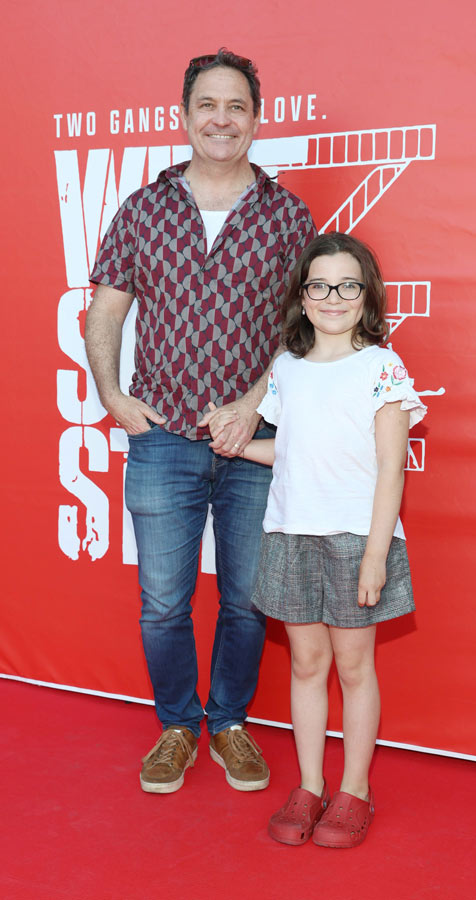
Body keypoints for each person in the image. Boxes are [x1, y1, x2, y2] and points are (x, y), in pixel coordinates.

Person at [85, 48, 316, 795]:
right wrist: (112, 395)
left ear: (257, 119)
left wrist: (253, 403)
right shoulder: (142, 210)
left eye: (236, 106)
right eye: (207, 105)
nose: (222, 119)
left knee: (247, 599)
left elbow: (304, 329)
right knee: (162, 602)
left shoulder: (287, 216)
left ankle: (229, 724)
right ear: (183, 117)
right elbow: (105, 312)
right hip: (162, 439)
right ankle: (178, 727)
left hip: (256, 442)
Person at [202, 232, 426, 846]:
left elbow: (391, 468)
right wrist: (233, 444)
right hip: (290, 534)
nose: (333, 297)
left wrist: (376, 555)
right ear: (302, 297)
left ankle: (354, 790)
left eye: (348, 285)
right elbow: (290, 449)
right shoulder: (286, 369)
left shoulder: (381, 367)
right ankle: (308, 785)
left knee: (353, 667)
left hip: (356, 538)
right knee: (306, 664)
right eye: (320, 285)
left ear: (367, 295)